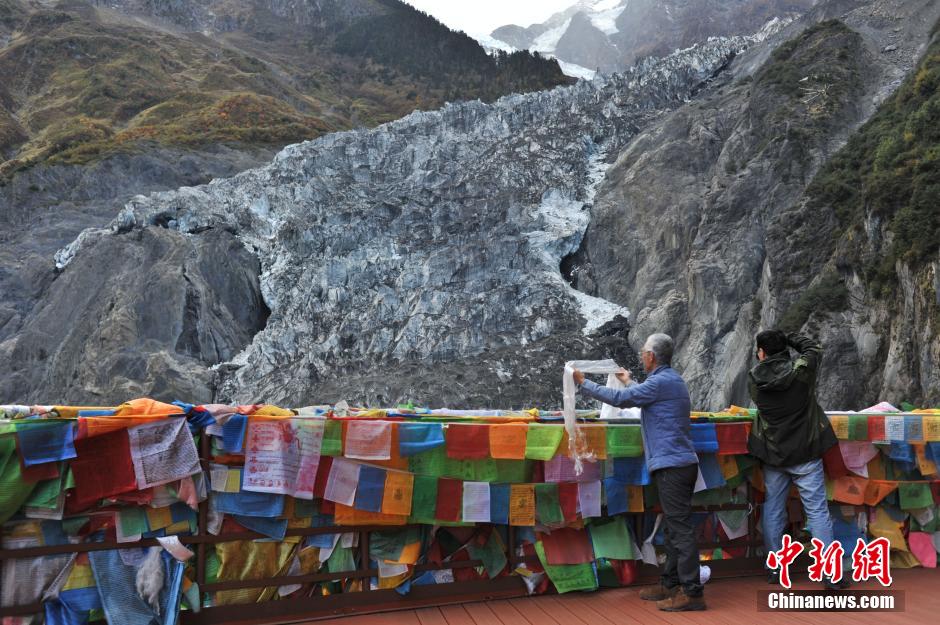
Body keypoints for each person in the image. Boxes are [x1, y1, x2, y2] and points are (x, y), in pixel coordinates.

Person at [573, 333, 704, 611]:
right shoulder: (669, 380)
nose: (642, 355)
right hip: (677, 464)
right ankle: (670, 584)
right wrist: (629, 381)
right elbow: (642, 395)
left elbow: (621, 399)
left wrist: (584, 383)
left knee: (680, 530)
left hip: (673, 466)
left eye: (644, 351)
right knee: (673, 528)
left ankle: (692, 593)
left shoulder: (661, 382)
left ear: (651, 356)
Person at [748, 330, 847, 589]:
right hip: (806, 453)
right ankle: (830, 573)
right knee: (817, 511)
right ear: (784, 350)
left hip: (774, 455)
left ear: (761, 353)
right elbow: (813, 349)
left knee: (773, 510)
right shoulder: (801, 373)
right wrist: (789, 337)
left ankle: (775, 567)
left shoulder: (754, 380)